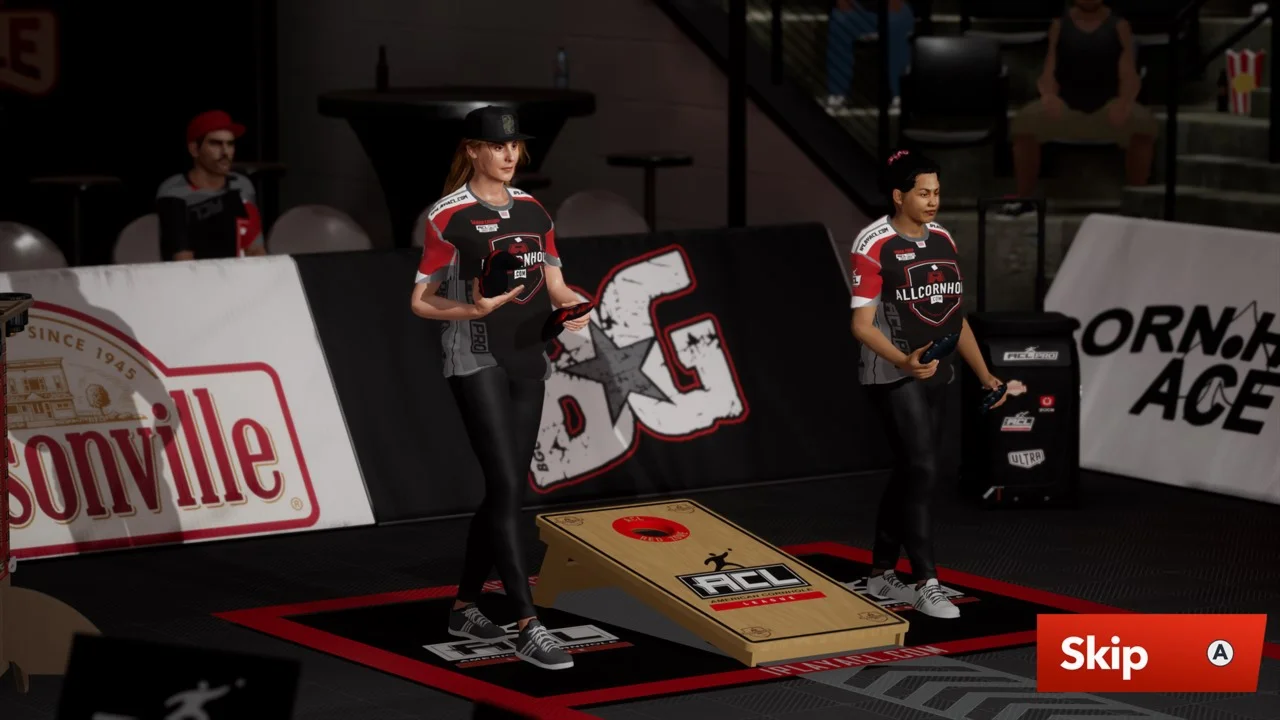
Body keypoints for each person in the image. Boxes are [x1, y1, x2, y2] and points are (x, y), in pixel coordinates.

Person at [409, 106, 590, 671]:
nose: (509, 155)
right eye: (496, 146)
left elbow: (555, 283)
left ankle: (464, 607)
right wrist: (473, 309)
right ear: (472, 150)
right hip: (476, 354)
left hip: (528, 354)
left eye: (514, 146)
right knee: (507, 485)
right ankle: (527, 624)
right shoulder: (448, 215)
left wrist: (574, 305)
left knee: (506, 492)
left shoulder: (535, 210)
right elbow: (420, 300)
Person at [848, 150, 1015, 619]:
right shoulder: (873, 243)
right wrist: (902, 359)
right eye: (923, 193)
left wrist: (985, 374)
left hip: (937, 371)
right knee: (922, 468)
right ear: (898, 196)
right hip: (892, 371)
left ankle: (881, 574)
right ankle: (927, 582)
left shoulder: (942, 238)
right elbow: (861, 326)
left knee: (912, 470)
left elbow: (956, 319)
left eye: (937, 192)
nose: (933, 201)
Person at [999, 0, 1159, 219]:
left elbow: (1129, 73)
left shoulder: (1119, 26)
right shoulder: (1059, 26)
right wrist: (1049, 96)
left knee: (1144, 126)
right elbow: (1049, 71)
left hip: (1108, 103)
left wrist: (1124, 102)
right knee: (1024, 124)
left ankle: (1136, 203)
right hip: (1065, 103)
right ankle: (1025, 199)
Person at [156, 110, 266, 260]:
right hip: (196, 274)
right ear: (194, 149)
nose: (225, 152)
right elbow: (183, 262)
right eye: (215, 143)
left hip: (239, 273)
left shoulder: (242, 185)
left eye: (230, 144)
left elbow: (256, 249)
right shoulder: (174, 190)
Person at [826, 0, 915, 109]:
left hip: (892, 10)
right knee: (839, 20)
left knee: (898, 21)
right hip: (858, 9)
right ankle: (837, 92)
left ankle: (899, 93)